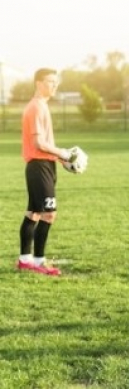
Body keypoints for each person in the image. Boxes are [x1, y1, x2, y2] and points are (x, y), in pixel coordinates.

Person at [17, 68, 77, 276]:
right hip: (39, 166)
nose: (55, 85)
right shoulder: (36, 107)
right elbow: (38, 143)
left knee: (33, 213)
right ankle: (39, 262)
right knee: (48, 214)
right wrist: (62, 152)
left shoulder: (41, 106)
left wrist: (60, 159)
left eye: (56, 82)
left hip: (43, 165)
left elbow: (43, 144)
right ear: (38, 83)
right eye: (51, 81)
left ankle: (25, 260)